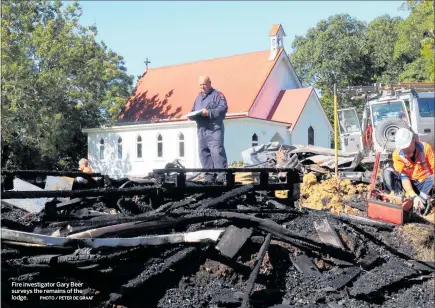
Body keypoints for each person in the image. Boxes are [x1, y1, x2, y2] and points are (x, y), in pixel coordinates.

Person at [383, 128, 434, 214]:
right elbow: (404, 177)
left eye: (407, 146)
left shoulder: (426, 148)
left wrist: (421, 197)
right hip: (409, 184)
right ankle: (397, 200)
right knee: (387, 172)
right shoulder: (397, 154)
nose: (405, 150)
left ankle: (422, 202)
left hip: (426, 184)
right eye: (403, 148)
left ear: (414, 140)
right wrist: (413, 196)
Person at [191, 75, 228, 182]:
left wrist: (209, 113)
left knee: (216, 151)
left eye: (204, 84)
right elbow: (193, 109)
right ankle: (209, 178)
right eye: (200, 85)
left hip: (214, 129)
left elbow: (223, 108)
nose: (202, 87)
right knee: (203, 152)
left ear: (210, 83)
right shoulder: (198, 98)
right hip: (202, 130)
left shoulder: (217, 95)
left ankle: (222, 177)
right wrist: (191, 115)